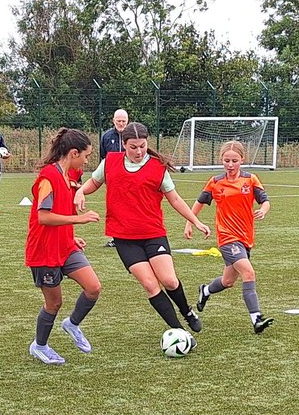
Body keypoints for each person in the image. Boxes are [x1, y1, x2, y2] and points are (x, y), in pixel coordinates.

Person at [77, 121, 211, 339]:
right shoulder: (110, 162)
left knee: (169, 280)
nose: (139, 151)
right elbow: (93, 182)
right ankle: (179, 331)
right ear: (124, 144)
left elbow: (175, 199)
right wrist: (81, 191)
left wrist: (196, 221)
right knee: (150, 285)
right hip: (124, 237)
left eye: (142, 146)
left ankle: (187, 311)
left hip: (153, 233)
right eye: (133, 147)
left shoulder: (157, 167)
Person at [25, 128, 103, 365]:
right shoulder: (48, 177)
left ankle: (72, 324)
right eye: (86, 156)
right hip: (44, 251)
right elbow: (44, 217)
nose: (87, 161)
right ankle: (39, 346)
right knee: (54, 303)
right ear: (73, 153)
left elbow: (60, 215)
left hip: (65, 246)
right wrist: (78, 219)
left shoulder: (68, 175)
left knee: (93, 287)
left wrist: (72, 235)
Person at [184, 140, 274, 334]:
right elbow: (199, 202)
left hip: (245, 238)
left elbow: (265, 200)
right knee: (248, 273)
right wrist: (189, 223)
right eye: (226, 160)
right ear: (221, 160)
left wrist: (263, 210)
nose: (230, 165)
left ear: (242, 159)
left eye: (234, 160)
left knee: (228, 281)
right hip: (227, 238)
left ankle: (205, 291)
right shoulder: (215, 182)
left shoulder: (250, 180)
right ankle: (256, 319)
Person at [99, 109, 128, 246]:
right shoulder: (106, 136)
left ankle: (130, 235)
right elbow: (103, 158)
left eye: (123, 121)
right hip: (113, 178)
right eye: (119, 121)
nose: (121, 123)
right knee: (114, 207)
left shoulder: (132, 135)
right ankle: (115, 238)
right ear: (113, 121)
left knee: (130, 205)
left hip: (130, 177)